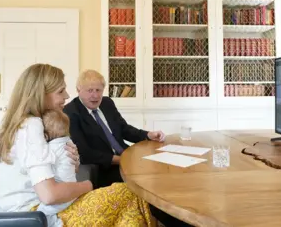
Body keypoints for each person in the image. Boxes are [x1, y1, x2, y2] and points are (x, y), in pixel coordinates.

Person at [0, 64, 153, 227]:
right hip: (33, 216)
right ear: (41, 94)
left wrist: (70, 165)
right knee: (128, 194)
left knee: (128, 201)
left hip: (38, 209)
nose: (67, 96)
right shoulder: (31, 126)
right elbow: (49, 195)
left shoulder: (30, 123)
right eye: (61, 91)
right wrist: (87, 185)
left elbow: (41, 178)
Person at [63, 69, 193, 227]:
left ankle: (183, 215)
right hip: (105, 168)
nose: (95, 95)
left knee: (164, 173)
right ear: (78, 90)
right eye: (90, 90)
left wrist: (147, 134)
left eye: (98, 90)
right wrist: (122, 160)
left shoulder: (107, 103)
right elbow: (85, 153)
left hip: (127, 156)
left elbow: (124, 129)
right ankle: (175, 222)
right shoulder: (71, 112)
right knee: (148, 187)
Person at [35, 109, 77, 227]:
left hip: (60, 193)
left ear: (45, 135)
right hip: (71, 190)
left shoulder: (51, 149)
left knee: (42, 212)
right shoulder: (69, 143)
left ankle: (56, 223)